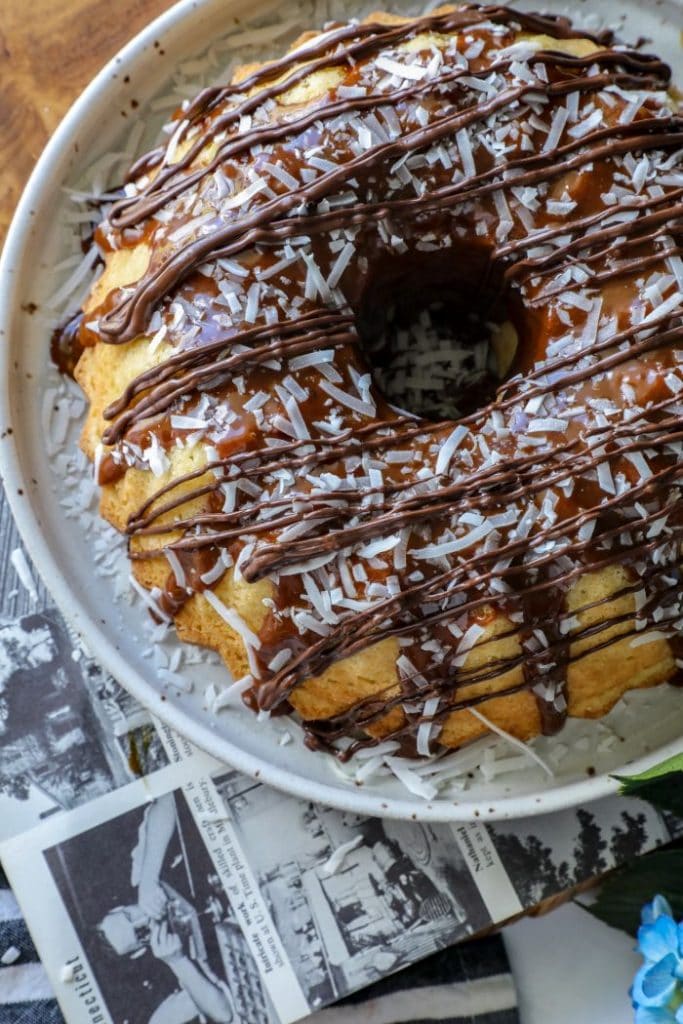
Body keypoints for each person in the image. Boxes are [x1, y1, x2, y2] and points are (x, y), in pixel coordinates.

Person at [98, 794, 234, 1024]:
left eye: (129, 915)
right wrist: (178, 962)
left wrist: (149, 878)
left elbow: (166, 800)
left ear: (121, 906)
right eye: (140, 933)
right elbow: (223, 1014)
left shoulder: (140, 876)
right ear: (141, 950)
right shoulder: (174, 956)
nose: (143, 918)